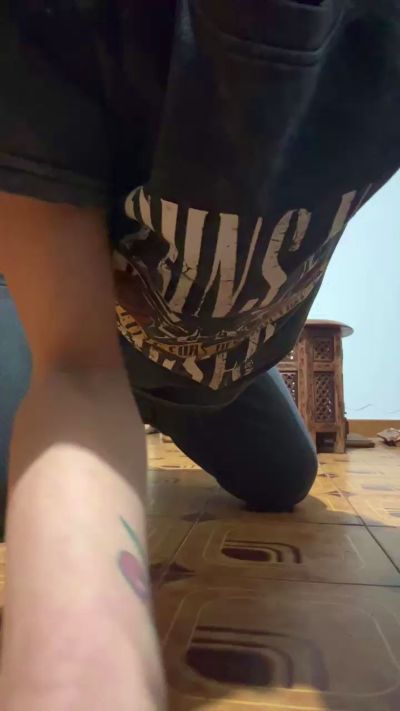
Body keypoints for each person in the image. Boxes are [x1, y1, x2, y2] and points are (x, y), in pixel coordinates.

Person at [0, 1, 399, 709]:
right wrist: (81, 669)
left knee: (286, 481)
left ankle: (155, 402)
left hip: (215, 368)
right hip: (78, 336)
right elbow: (75, 366)